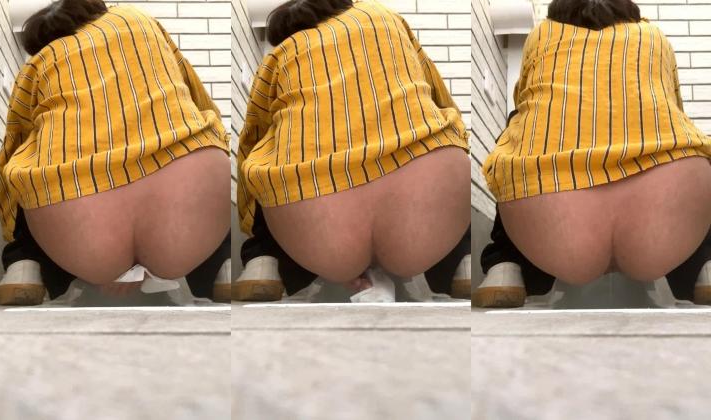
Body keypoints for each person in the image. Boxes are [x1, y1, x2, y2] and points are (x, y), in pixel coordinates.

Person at [0, 0, 231, 305]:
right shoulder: (136, 19)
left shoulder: (38, 62)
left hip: (78, 220)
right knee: (203, 137)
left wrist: (12, 232)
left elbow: (13, 141)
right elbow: (199, 98)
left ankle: (24, 267)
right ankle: (222, 269)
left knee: (26, 160)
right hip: (188, 211)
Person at [481, 0, 711, 304]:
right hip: (661, 226)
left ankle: (504, 265)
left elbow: (523, 102)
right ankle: (705, 266)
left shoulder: (541, 35)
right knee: (684, 141)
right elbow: (674, 106)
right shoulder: (655, 37)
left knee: (517, 131)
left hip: (555, 222)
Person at [235, 0, 471, 296]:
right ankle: (462, 262)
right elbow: (437, 93)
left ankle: (262, 261)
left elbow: (252, 135)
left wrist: (250, 219)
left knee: (268, 151)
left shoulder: (280, 54)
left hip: (319, 220)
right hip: (423, 213)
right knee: (440, 133)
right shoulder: (382, 16)